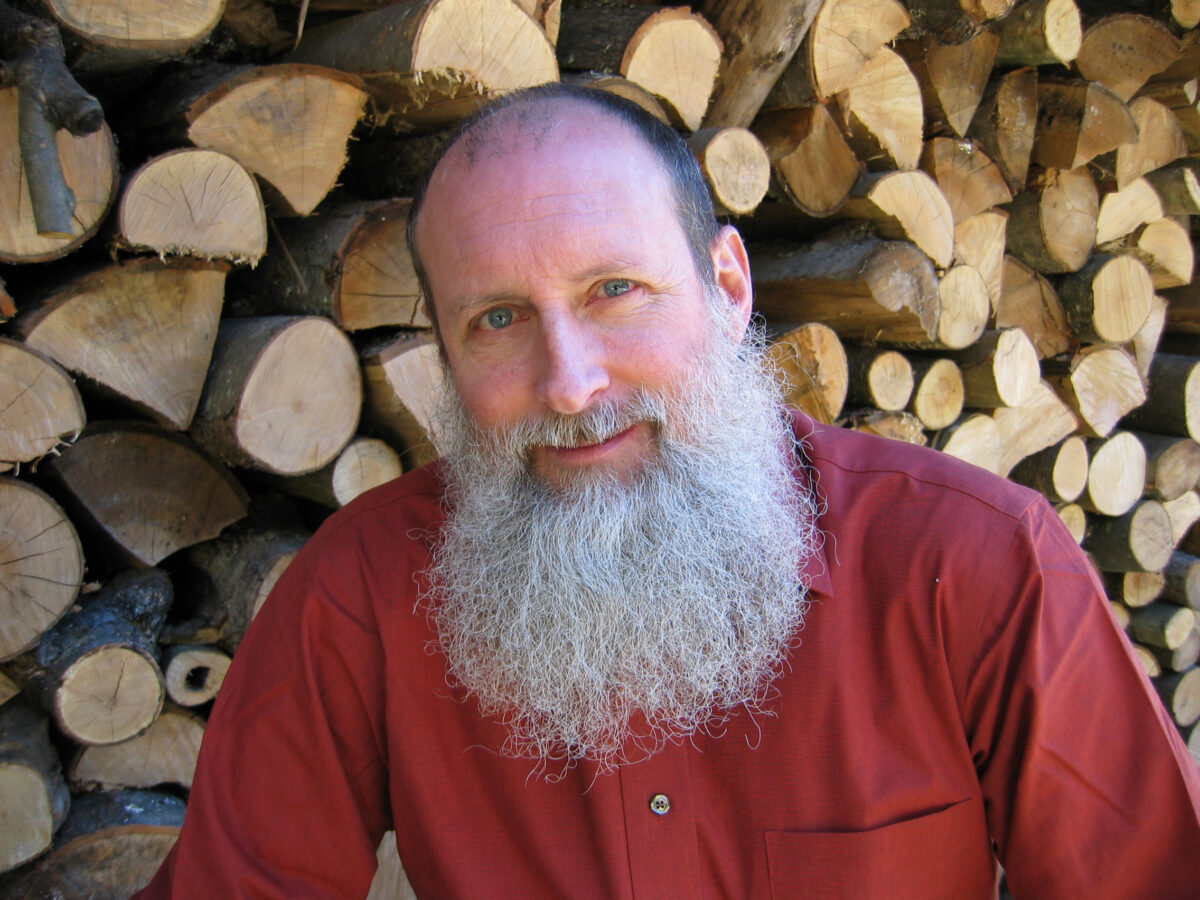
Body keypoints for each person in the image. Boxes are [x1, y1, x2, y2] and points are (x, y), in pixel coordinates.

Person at [137, 83, 1200, 899]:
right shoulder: (362, 595)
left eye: (615, 291)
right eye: (497, 320)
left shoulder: (975, 562)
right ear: (446, 361)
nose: (570, 383)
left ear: (728, 289)